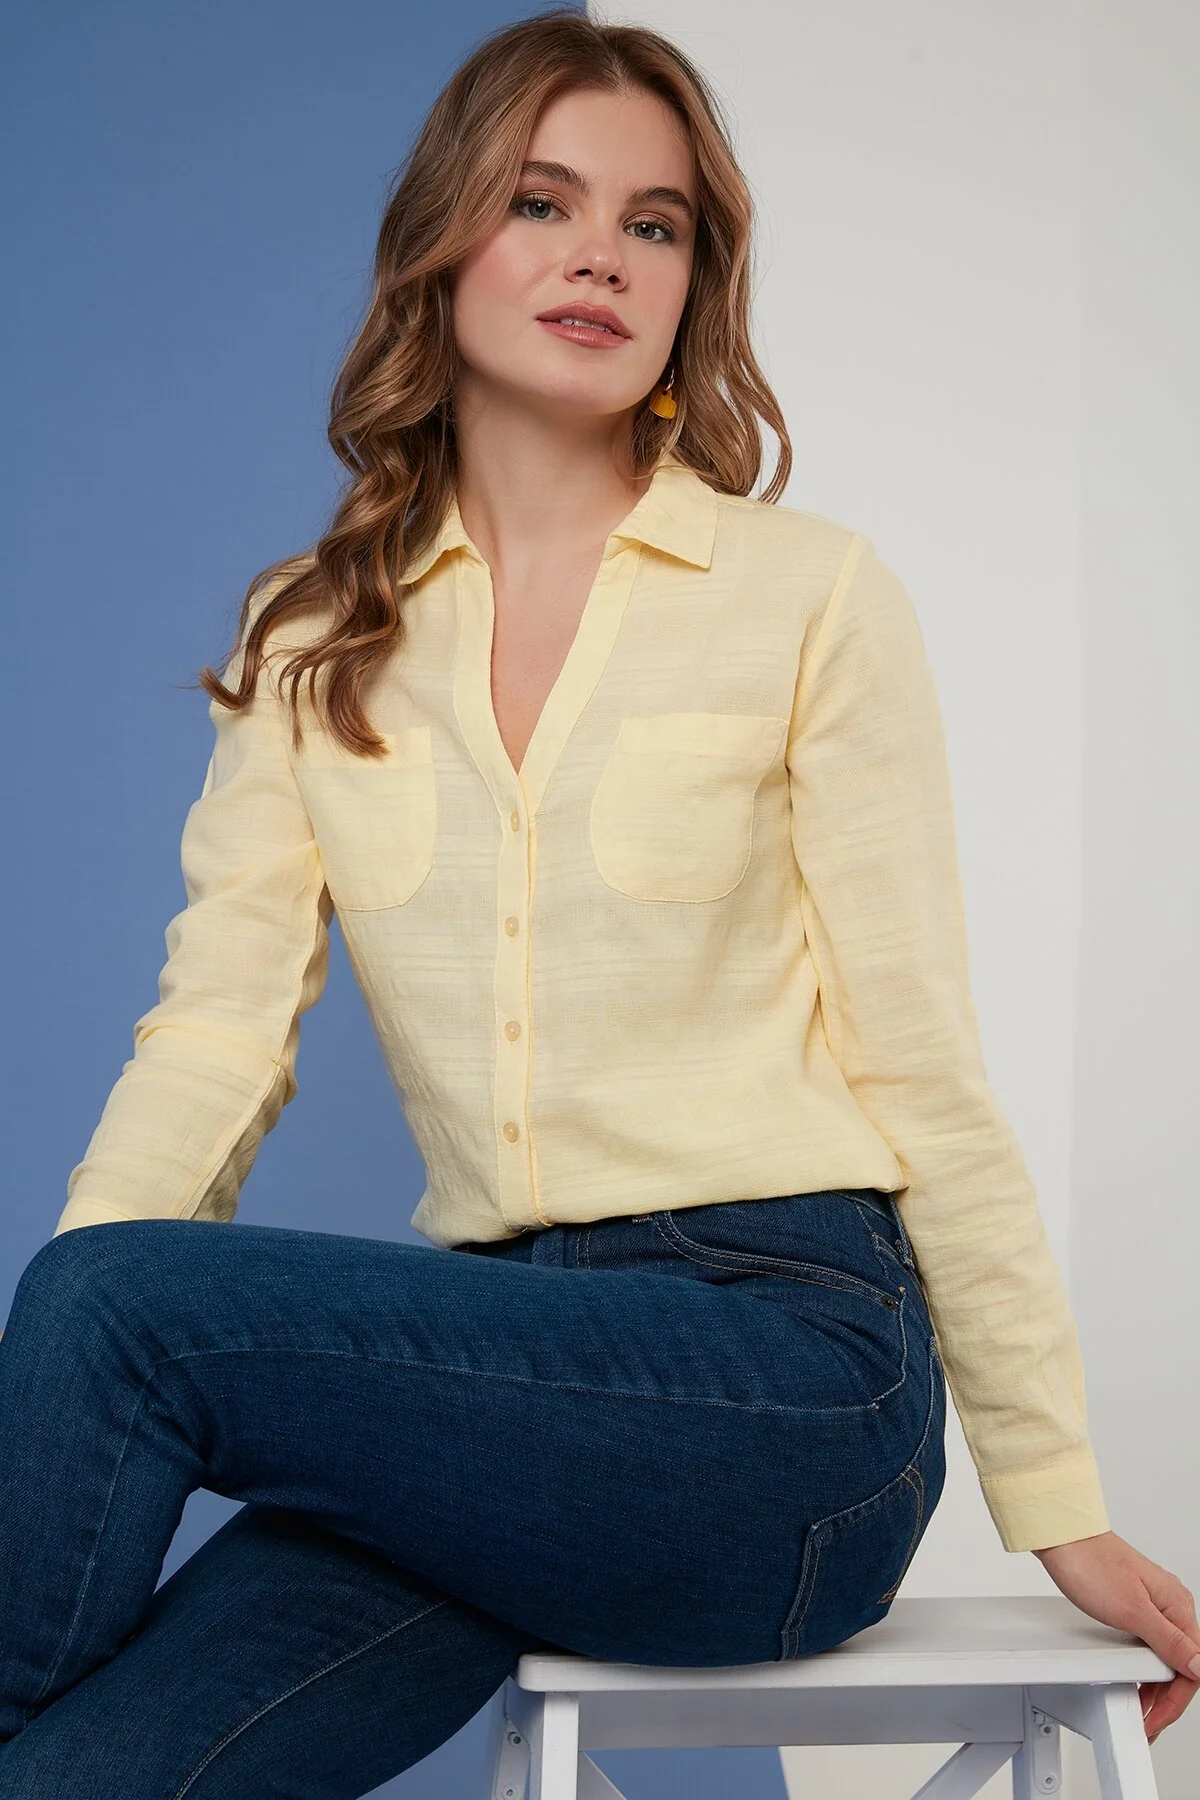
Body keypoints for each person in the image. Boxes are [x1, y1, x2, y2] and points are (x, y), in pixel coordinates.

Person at [0, 9, 1195, 1791]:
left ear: (695, 280)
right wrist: (74, 1345)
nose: (600, 256)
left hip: (788, 1389)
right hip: (489, 1387)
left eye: (656, 224)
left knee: (107, 1302)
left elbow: (922, 1062)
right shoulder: (310, 636)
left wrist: (1054, 1492)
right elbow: (216, 1041)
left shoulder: (806, 597)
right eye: (542, 201)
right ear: (443, 243)